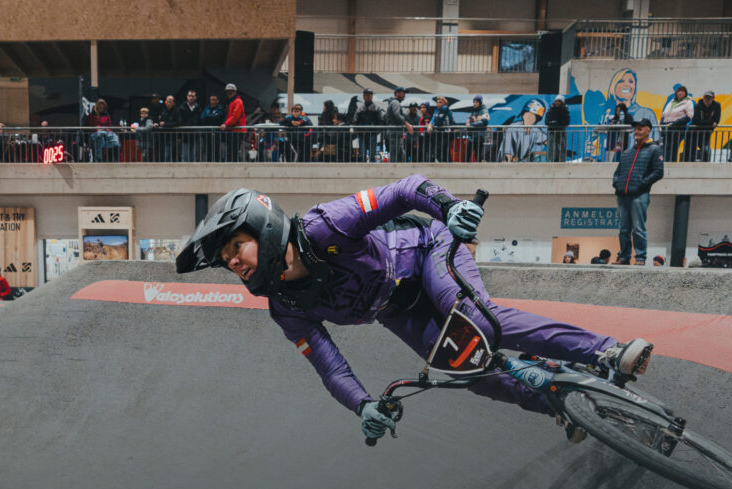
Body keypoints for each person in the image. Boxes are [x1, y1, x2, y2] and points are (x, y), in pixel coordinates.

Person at [174, 180, 655, 444]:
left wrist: (448, 207)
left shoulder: (324, 226)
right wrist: (362, 404)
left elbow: (402, 192)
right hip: (395, 309)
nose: (233, 262)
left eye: (236, 247)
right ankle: (558, 405)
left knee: (477, 322)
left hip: (427, 252)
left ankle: (607, 352)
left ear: (262, 227)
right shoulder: (286, 306)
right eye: (225, 259)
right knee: (465, 369)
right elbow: (330, 367)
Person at [612, 119, 662, 265]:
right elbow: (618, 172)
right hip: (623, 195)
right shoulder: (627, 152)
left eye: (640, 129)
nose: (636, 132)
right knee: (623, 229)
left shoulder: (654, 149)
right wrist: (617, 184)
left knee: (638, 228)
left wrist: (642, 184)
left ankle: (640, 257)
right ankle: (624, 256)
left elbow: (659, 172)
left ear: (648, 130)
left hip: (639, 195)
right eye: (635, 129)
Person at [661, 84, 694, 162]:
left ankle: (672, 164)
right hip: (667, 127)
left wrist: (675, 123)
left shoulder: (688, 102)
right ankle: (666, 163)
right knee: (666, 147)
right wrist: (662, 124)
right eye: (679, 91)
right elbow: (664, 113)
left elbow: (689, 116)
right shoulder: (671, 101)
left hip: (678, 128)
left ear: (686, 93)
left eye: (682, 91)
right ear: (676, 93)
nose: (680, 93)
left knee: (673, 148)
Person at [689, 90, 721, 162]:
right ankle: (690, 164)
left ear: (713, 98)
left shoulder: (716, 106)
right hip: (694, 132)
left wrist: (706, 124)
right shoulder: (698, 106)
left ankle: (706, 164)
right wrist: (711, 123)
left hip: (707, 132)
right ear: (703, 98)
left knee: (706, 150)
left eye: (709, 98)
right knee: (691, 150)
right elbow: (696, 121)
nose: (707, 99)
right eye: (706, 97)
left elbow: (717, 121)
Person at [221, 85, 247, 162]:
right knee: (231, 151)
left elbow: (235, 116)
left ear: (235, 92)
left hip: (236, 131)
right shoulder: (232, 102)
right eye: (228, 92)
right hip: (233, 130)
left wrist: (226, 124)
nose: (229, 93)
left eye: (231, 91)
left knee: (233, 152)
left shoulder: (238, 102)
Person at [544, 95, 571, 161]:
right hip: (552, 132)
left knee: (562, 148)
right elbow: (547, 121)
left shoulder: (565, 111)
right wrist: (555, 123)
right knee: (551, 148)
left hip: (561, 132)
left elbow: (566, 122)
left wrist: (557, 123)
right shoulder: (551, 110)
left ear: (562, 102)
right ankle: (551, 161)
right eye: (556, 101)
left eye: (559, 101)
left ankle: (561, 161)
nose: (557, 102)